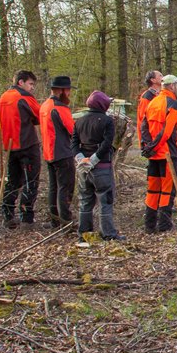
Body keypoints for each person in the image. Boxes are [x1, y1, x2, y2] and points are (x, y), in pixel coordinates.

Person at [72, 90, 123, 241]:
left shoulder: (79, 121)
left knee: (85, 201)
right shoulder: (107, 121)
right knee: (105, 200)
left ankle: (84, 234)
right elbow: (107, 143)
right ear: (102, 104)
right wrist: (93, 160)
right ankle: (108, 234)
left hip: (84, 169)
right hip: (101, 168)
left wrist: (81, 159)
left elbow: (73, 143)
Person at [141, 74, 177, 233]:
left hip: (153, 154)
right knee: (167, 190)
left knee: (152, 190)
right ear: (172, 86)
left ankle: (149, 225)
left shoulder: (152, 102)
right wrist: (154, 146)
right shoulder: (172, 104)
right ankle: (164, 226)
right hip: (167, 154)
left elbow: (144, 126)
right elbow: (167, 132)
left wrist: (147, 146)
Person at [0, 70, 42, 228]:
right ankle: (26, 218)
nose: (32, 88)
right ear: (21, 82)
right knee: (31, 181)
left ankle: (7, 215)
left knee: (13, 182)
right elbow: (40, 115)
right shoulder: (23, 97)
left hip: (10, 146)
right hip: (27, 144)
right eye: (30, 84)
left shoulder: (3, 97)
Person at [39, 76, 76, 229]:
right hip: (62, 153)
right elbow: (74, 131)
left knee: (54, 188)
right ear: (60, 90)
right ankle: (66, 222)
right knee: (65, 188)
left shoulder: (45, 106)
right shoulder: (60, 108)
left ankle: (55, 221)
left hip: (49, 153)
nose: (69, 93)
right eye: (67, 90)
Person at [136, 71, 163, 146]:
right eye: (160, 76)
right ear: (153, 80)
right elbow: (143, 120)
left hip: (159, 135)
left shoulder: (160, 95)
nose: (163, 77)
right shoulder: (147, 96)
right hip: (150, 138)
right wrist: (147, 141)